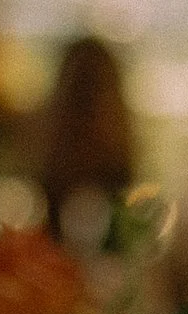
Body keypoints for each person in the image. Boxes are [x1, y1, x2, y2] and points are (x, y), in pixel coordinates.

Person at [40, 36, 136, 250]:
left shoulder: (124, 188)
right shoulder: (37, 185)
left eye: (96, 91)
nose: (87, 110)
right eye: (80, 93)